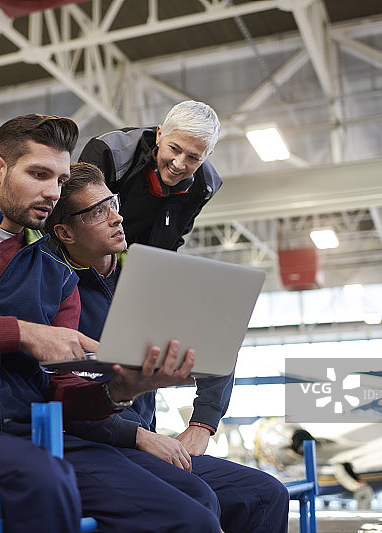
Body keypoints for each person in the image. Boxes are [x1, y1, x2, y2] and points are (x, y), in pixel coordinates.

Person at [0, 114, 224, 533]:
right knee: (42, 480)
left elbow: (64, 393)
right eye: (38, 174)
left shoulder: (56, 275)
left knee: (193, 506)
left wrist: (123, 388)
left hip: (34, 441)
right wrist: (21, 332)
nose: (51, 192)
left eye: (58, 180)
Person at [46, 162, 290, 533]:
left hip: (146, 441)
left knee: (265, 493)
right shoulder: (48, 287)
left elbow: (216, 341)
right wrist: (137, 436)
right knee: (194, 498)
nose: (116, 218)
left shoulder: (148, 278)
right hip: (89, 444)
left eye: (112, 203)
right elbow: (54, 393)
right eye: (98, 212)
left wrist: (202, 424)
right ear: (64, 231)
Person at [79, 100, 231, 460]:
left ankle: (146, 433)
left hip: (143, 271)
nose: (180, 164)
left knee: (207, 314)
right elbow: (72, 216)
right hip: (86, 267)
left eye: (193, 157)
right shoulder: (109, 153)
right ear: (160, 134)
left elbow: (172, 240)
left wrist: (203, 421)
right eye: (174, 149)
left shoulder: (205, 184)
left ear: (207, 156)